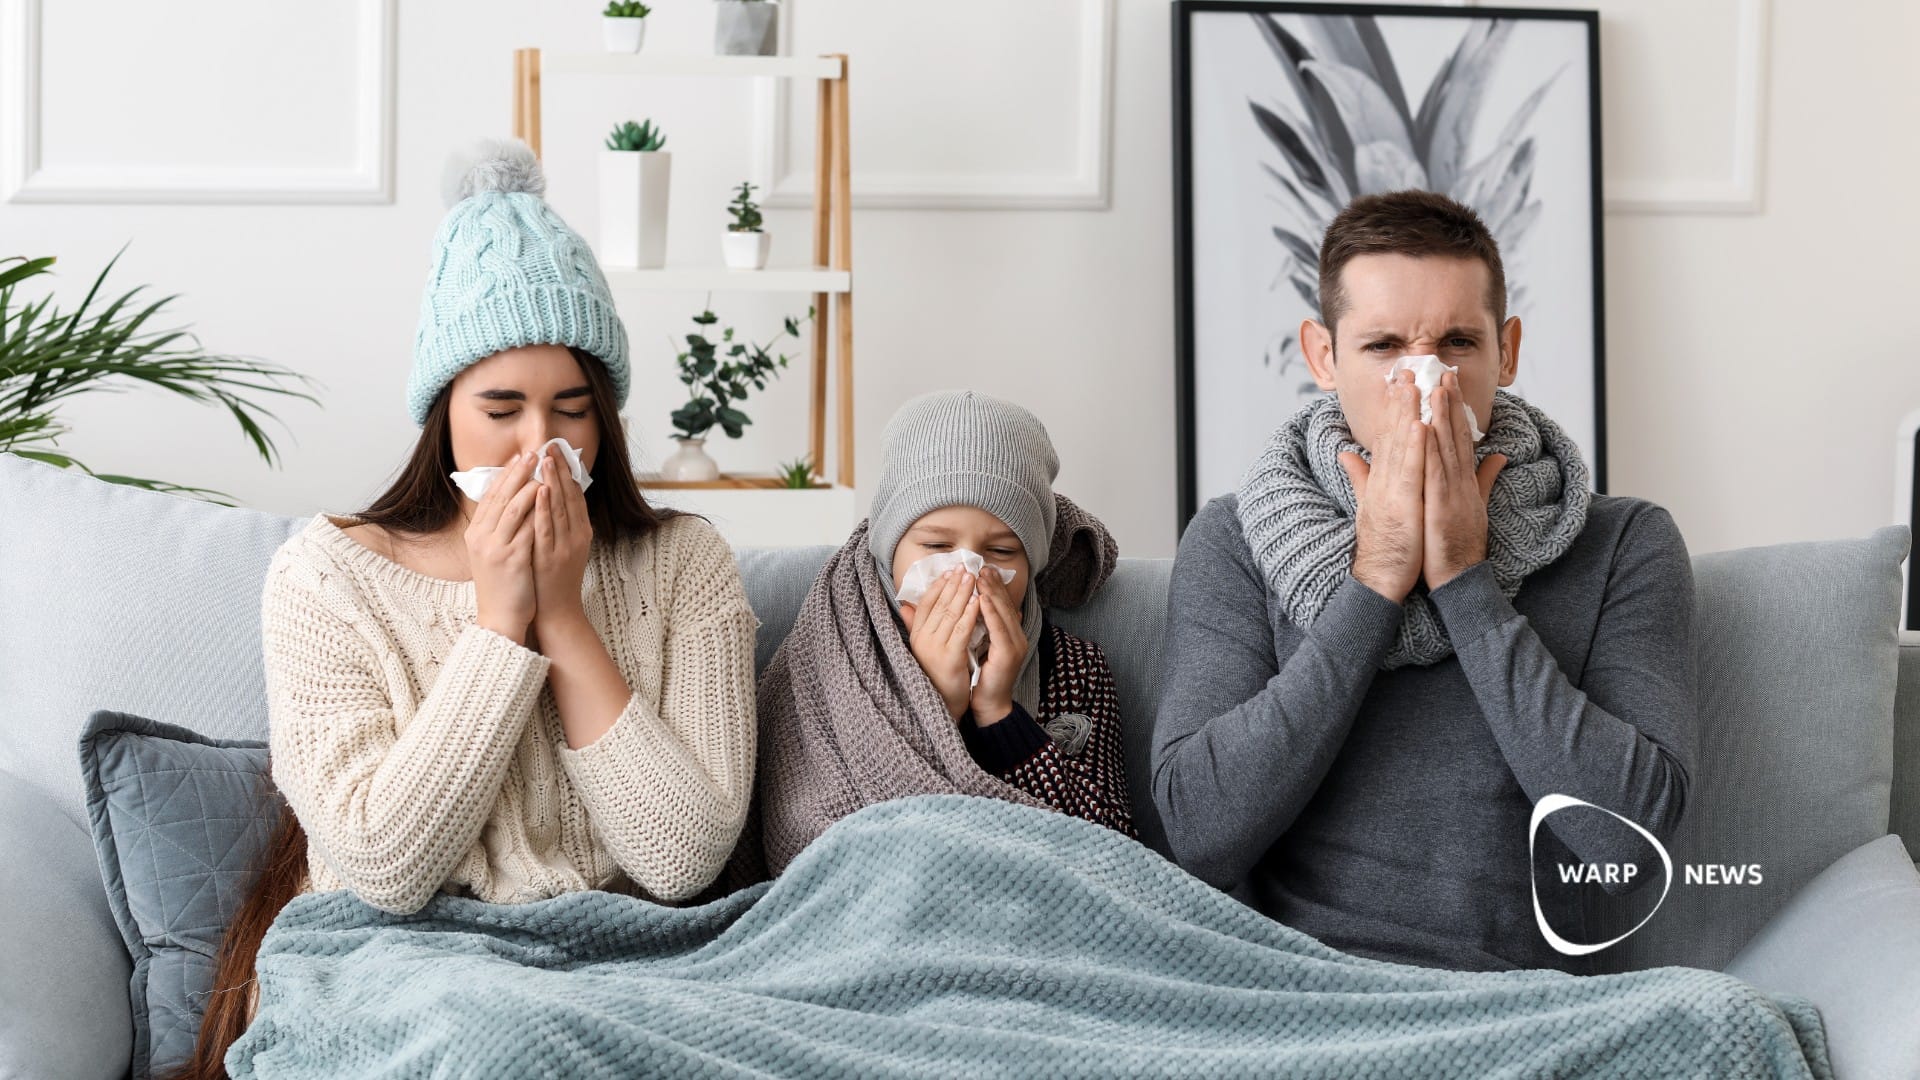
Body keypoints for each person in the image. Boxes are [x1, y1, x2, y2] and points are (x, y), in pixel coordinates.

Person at [172, 138, 759, 1078]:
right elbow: (385, 867)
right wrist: (498, 620)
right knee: (501, 1039)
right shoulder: (324, 577)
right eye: (502, 407)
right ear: (443, 408)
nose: (541, 443)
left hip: (633, 960)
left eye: (573, 408)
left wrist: (563, 616)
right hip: (401, 965)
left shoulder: (684, 562)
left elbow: (684, 857)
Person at [1152, 189, 1695, 973]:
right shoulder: (1236, 540)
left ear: (1506, 351)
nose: (1424, 382)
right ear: (1322, 356)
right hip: (1292, 995)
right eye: (1383, 348)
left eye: (1456, 344)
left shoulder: (1624, 543)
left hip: (1527, 1007)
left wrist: (1467, 580)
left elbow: (1630, 843)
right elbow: (1197, 832)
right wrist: (1374, 579)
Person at [740, 389, 1135, 880]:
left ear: (1033, 563)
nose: (966, 573)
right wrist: (937, 707)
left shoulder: (1076, 669)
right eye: (936, 544)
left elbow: (1114, 854)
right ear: (890, 546)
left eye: (1002, 551)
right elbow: (808, 843)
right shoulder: (831, 651)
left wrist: (998, 714)